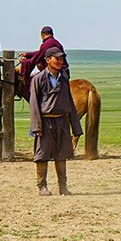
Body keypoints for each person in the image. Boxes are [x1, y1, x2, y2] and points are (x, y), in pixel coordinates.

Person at [29, 47, 83, 196]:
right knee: (42, 155)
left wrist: (75, 126)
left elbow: (70, 101)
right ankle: (42, 186)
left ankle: (63, 187)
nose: (60, 61)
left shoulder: (64, 77)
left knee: (62, 154)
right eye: (57, 58)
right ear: (48, 60)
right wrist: (36, 126)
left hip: (62, 121)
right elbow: (34, 103)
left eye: (61, 59)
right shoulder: (38, 79)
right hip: (45, 122)